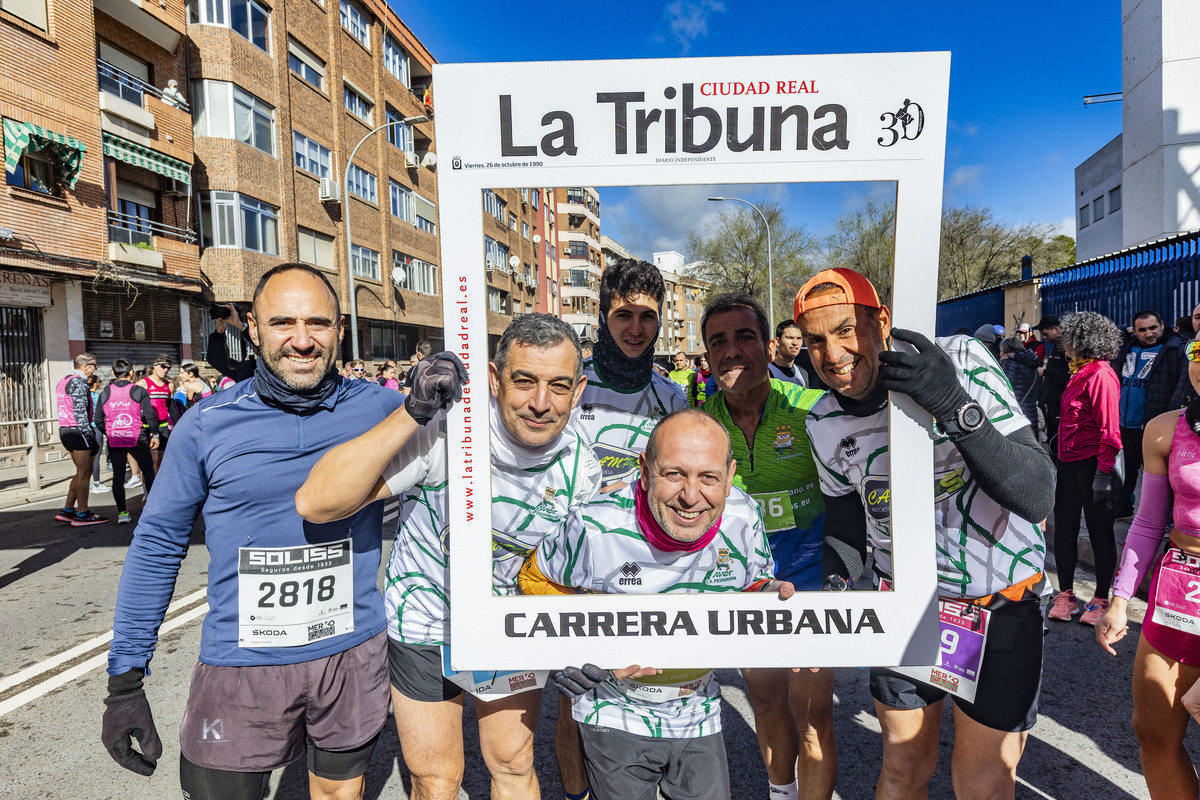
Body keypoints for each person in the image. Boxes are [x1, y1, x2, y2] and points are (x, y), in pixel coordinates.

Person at [102, 263, 463, 800]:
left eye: (318, 323)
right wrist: (125, 680)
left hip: (351, 653)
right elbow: (157, 546)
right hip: (241, 662)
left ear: (340, 330)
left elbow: (494, 452)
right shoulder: (206, 424)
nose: (301, 340)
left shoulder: (388, 411)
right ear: (252, 327)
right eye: (282, 323)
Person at [296, 313, 599, 800]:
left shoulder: (581, 464)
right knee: (436, 781)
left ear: (578, 389)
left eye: (558, 386)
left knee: (514, 764)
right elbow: (317, 502)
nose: (541, 403)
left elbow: (578, 568)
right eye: (524, 381)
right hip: (426, 621)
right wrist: (410, 412)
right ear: (495, 380)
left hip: (506, 622)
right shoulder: (447, 431)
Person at [795, 268, 1054, 800]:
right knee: (904, 767)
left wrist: (951, 404)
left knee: (981, 781)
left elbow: (1036, 495)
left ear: (881, 321)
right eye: (815, 340)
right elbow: (845, 523)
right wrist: (837, 599)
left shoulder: (957, 358)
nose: (832, 353)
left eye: (846, 329)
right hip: (905, 607)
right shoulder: (821, 420)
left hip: (998, 602)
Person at [520, 409, 794, 800]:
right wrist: (579, 648)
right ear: (645, 470)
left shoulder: (743, 516)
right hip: (615, 710)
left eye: (709, 477)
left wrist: (777, 604)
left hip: (698, 709)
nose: (691, 495)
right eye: (674, 474)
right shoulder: (595, 527)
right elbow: (532, 577)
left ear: (730, 476)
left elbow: (751, 584)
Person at [699, 292, 833, 800]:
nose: (732, 351)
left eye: (745, 337)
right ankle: (781, 792)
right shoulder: (701, 426)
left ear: (769, 345)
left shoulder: (812, 410)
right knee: (765, 698)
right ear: (707, 355)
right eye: (719, 342)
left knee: (813, 715)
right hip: (746, 587)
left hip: (810, 583)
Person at [1096, 329, 1200, 800]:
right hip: (1179, 591)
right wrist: (1119, 600)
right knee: (1154, 733)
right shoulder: (1165, 429)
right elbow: (1146, 523)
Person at [572, 256, 689, 491]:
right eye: (624, 315)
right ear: (603, 319)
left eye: (647, 316)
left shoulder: (674, 400)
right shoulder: (568, 384)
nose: (636, 329)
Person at [1046, 311, 1124, 625]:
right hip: (1068, 464)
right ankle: (1065, 595)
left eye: (1068, 337)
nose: (1063, 342)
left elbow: (1110, 430)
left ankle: (1101, 598)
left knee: (1099, 532)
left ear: (1081, 340)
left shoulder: (1101, 374)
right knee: (1063, 529)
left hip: (1095, 466)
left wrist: (1104, 473)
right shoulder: (1077, 372)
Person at [1111, 310, 1186, 518]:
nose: (1149, 333)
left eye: (1153, 327)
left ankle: (1165, 519)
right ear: (1134, 331)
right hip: (1126, 424)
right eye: (1142, 330)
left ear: (1162, 324)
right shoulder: (1127, 347)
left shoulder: (1175, 350)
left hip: (1154, 427)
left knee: (1159, 478)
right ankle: (1123, 509)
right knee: (1126, 472)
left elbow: (1179, 389)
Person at [93, 358, 159, 524]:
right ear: (131, 372)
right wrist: (155, 434)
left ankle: (122, 513)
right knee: (148, 471)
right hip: (137, 436)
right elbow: (150, 415)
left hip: (115, 439)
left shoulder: (105, 392)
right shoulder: (139, 391)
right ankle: (152, 508)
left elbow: (98, 419)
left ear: (114, 374)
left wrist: (109, 432)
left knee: (118, 477)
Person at [54, 353, 107, 526]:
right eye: (94, 365)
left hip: (66, 429)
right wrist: (89, 435)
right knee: (85, 473)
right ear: (85, 366)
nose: (96, 368)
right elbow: (80, 411)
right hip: (78, 431)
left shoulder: (64, 380)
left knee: (79, 472)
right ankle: (82, 513)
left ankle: (68, 509)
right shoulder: (78, 381)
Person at [1035, 315, 1068, 457]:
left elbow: (1067, 375)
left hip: (1061, 402)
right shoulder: (1056, 345)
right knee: (1052, 438)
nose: (1044, 338)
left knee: (1057, 439)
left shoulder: (1067, 347)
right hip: (1052, 401)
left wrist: (1045, 372)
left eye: (1045, 334)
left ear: (1056, 329)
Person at [137, 355, 174, 471]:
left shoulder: (169, 385)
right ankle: (147, 487)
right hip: (146, 426)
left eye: (168, 368)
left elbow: (171, 408)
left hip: (163, 426)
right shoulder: (142, 384)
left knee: (161, 460)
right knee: (149, 461)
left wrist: (178, 425)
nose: (166, 370)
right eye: (163, 367)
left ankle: (158, 486)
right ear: (155, 366)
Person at [206, 303, 257, 382]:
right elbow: (215, 359)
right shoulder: (247, 368)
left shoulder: (273, 368)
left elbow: (266, 348)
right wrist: (220, 329)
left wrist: (242, 327)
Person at [999, 336, 1040, 428]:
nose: (1000, 354)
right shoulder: (1031, 363)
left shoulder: (1010, 363)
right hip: (1031, 410)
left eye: (1001, 351)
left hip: (1017, 411)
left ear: (1007, 352)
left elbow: (1005, 386)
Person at [89, 373, 112, 495]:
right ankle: (96, 483)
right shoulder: (98, 397)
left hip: (87, 428)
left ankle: (88, 482)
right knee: (96, 456)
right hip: (96, 428)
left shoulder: (85, 396)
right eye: (100, 382)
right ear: (96, 383)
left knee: (88, 457)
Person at [768, 320, 808, 386]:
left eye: (799, 338)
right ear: (777, 341)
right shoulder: (766, 373)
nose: (795, 343)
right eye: (790, 338)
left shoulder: (802, 374)